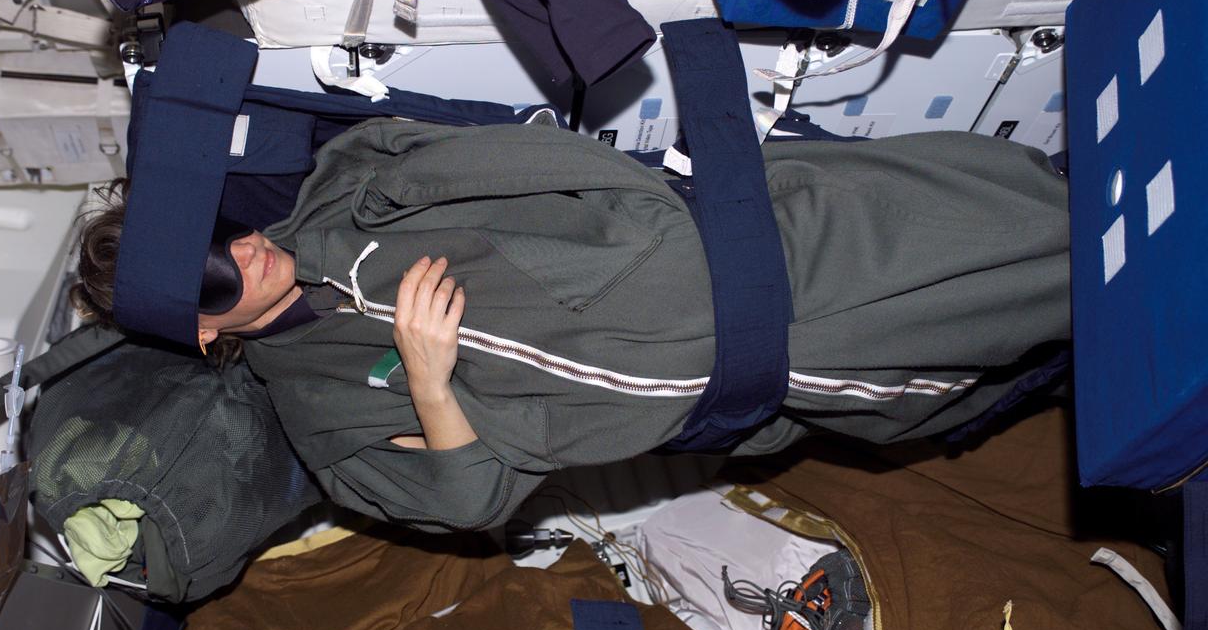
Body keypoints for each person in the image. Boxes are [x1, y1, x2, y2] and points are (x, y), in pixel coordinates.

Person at [73, 119, 1070, 531]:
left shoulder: (353, 193)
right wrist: (427, 377)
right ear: (208, 335)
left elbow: (528, 157)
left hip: (738, 233)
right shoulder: (323, 411)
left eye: (226, 233)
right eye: (215, 277)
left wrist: (647, 226)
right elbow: (469, 500)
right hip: (768, 359)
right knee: (1015, 333)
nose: (247, 252)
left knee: (1011, 204)